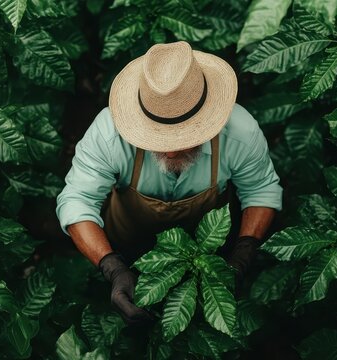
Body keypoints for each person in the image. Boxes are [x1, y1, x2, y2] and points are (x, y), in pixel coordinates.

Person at [55, 41, 282, 324]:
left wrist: (243, 253)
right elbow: (77, 201)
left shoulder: (239, 131)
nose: (172, 151)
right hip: (126, 248)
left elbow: (261, 190)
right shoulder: (108, 133)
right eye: (159, 139)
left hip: (212, 257)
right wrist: (112, 267)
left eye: (184, 138)